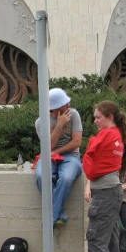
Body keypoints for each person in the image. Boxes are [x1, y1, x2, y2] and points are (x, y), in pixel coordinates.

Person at [81, 101, 126, 252]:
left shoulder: (107, 135)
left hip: (105, 193)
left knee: (97, 243)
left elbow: (91, 164)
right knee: (110, 245)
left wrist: (91, 143)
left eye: (98, 117)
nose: (95, 121)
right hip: (113, 191)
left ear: (109, 116)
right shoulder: (117, 135)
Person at [34, 88, 83, 227]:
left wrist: (56, 152)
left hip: (71, 156)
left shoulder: (74, 115)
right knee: (42, 177)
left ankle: (51, 219)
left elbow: (76, 142)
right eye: (64, 104)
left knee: (66, 178)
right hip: (48, 155)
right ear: (54, 109)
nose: (68, 106)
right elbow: (48, 146)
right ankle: (59, 213)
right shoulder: (40, 122)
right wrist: (60, 125)